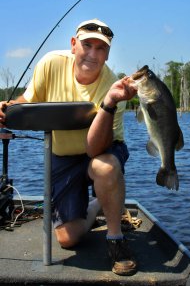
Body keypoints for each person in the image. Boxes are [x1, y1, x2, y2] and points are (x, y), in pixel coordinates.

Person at [0, 18, 138, 276]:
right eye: (87, 45)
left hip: (101, 150)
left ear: (107, 54)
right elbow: (28, 102)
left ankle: (116, 239)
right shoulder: (50, 63)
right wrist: (7, 109)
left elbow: (95, 150)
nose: (93, 54)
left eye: (101, 48)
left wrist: (108, 103)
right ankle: (99, 204)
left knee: (104, 167)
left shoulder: (115, 88)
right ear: (74, 45)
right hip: (62, 156)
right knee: (68, 239)